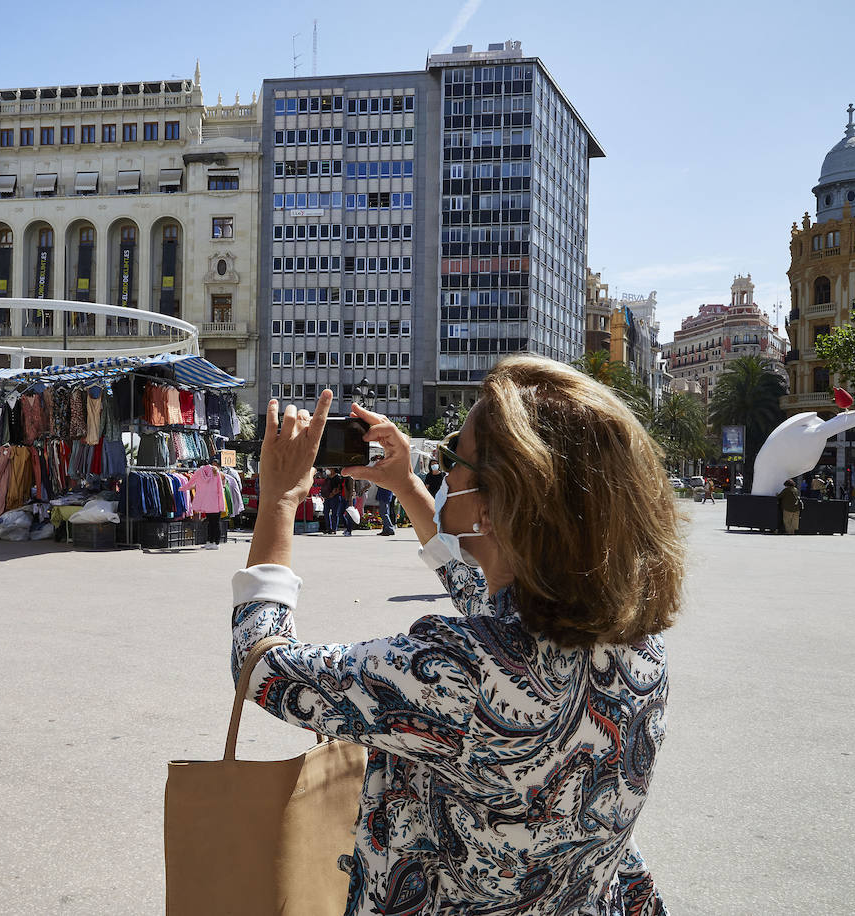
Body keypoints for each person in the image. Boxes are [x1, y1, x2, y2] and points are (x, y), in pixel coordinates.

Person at [233, 354, 680, 914]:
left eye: (455, 459)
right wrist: (408, 487)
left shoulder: (462, 669)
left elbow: (263, 665)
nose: (445, 472)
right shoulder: (640, 648)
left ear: (502, 502)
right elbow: (487, 604)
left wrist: (277, 502)